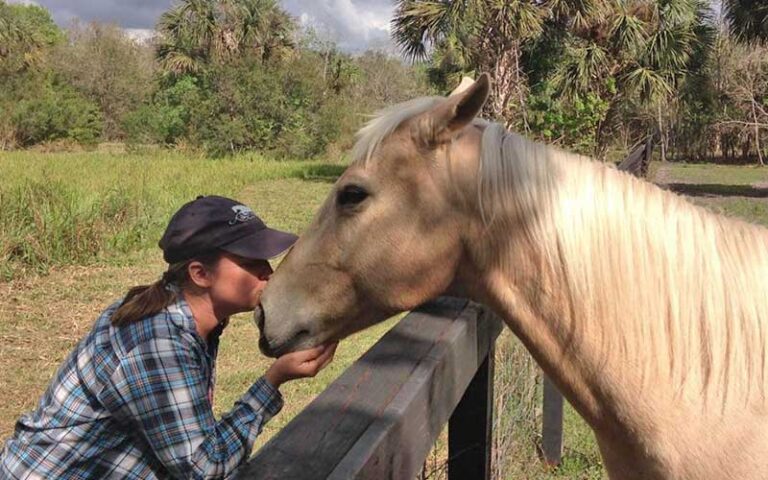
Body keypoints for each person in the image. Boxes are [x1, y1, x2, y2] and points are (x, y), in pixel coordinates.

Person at [0, 195, 337, 479]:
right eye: (251, 261)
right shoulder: (159, 342)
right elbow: (203, 467)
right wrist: (273, 381)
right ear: (200, 274)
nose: (268, 270)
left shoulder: (189, 318)